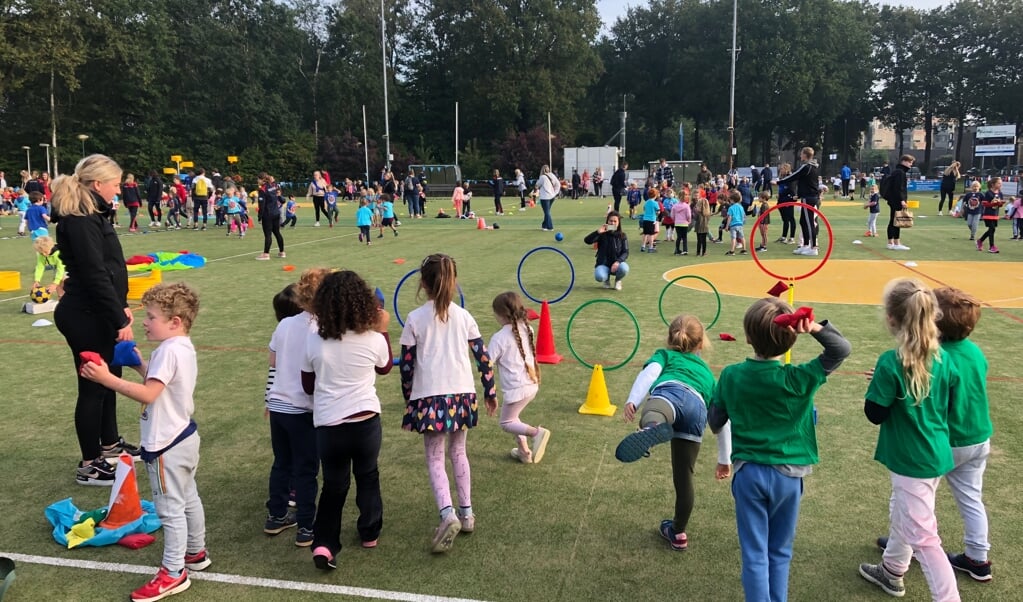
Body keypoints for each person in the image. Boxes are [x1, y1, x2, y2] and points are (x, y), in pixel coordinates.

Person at [708, 299, 850, 602]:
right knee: (780, 551)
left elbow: (716, 421)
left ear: (748, 337)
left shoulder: (732, 375)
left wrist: (718, 403)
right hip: (789, 477)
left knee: (755, 554)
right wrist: (812, 327)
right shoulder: (799, 378)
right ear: (791, 339)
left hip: (749, 476)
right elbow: (841, 349)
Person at [80, 282, 210, 602]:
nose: (144, 321)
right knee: (188, 496)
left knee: (170, 509)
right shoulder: (180, 346)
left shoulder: (168, 351)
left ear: (175, 321)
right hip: (184, 438)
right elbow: (162, 384)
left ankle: (173, 571)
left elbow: (151, 393)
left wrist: (107, 379)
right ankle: (195, 551)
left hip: (167, 443)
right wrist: (139, 364)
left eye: (151, 317)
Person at [857, 278, 960, 602]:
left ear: (892, 318)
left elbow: (875, 413)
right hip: (934, 453)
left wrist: (880, 387)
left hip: (912, 459)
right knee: (904, 511)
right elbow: (948, 404)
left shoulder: (892, 361)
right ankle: (892, 570)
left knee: (925, 538)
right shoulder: (944, 358)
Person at [51, 155, 139, 486]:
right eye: (116, 185)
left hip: (100, 310)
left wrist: (122, 305)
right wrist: (118, 317)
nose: (119, 190)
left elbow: (110, 268)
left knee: (110, 378)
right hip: (86, 314)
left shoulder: (91, 214)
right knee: (93, 386)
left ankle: (110, 445)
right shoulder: (79, 219)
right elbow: (94, 273)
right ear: (98, 184)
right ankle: (90, 464)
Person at [399, 254, 496, 553]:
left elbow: (406, 365)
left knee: (435, 457)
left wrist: (408, 398)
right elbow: (483, 358)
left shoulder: (415, 319)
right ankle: (467, 513)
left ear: (423, 284)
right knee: (459, 451)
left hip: (430, 397)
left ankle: (447, 514)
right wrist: (490, 392)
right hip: (462, 395)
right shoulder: (464, 317)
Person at [615, 315, 731, 551]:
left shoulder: (665, 355)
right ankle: (678, 532)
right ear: (700, 344)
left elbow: (649, 374)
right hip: (697, 411)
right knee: (684, 478)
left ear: (670, 338)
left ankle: (651, 427)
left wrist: (633, 400)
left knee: (657, 409)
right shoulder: (708, 374)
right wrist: (724, 459)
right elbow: (721, 420)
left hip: (670, 394)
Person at [302, 270, 392, 570]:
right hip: (365, 421)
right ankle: (369, 531)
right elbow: (385, 367)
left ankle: (325, 545)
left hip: (329, 425)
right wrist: (384, 330)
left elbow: (307, 385)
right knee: (367, 475)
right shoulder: (373, 338)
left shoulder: (314, 342)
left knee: (333, 485)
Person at [264, 269, 328, 547]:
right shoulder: (321, 328)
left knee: (282, 463)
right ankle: (305, 526)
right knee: (305, 469)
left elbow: (273, 360)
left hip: (278, 405)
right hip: (303, 407)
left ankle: (276, 516)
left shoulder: (285, 325)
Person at [488, 291, 549, 464]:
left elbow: (487, 363)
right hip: (531, 384)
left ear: (501, 315)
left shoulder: (499, 338)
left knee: (506, 422)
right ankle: (524, 452)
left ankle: (537, 433)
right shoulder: (526, 328)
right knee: (514, 417)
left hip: (517, 389)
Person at [777, 147, 821, 256]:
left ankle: (813, 247)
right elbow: (807, 182)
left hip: (809, 198)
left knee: (809, 222)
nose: (800, 156)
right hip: (806, 196)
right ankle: (805, 245)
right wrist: (799, 195)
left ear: (805, 155)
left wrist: (780, 182)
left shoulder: (807, 167)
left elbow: (794, 176)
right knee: (803, 221)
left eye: (801, 154)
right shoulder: (812, 167)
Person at [583, 211, 630, 290]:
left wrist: (618, 261)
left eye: (615, 221)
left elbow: (625, 252)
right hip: (603, 264)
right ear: (607, 221)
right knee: (599, 276)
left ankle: (618, 280)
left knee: (624, 268)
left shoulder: (622, 236)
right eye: (610, 221)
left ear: (618, 223)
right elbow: (587, 241)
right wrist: (597, 232)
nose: (612, 223)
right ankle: (606, 279)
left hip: (617, 264)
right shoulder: (602, 234)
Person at [255, 173, 285, 260]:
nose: (257, 181)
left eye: (258, 179)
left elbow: (262, 205)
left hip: (267, 215)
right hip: (276, 213)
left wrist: (259, 217)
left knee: (268, 235)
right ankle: (282, 252)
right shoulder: (274, 186)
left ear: (262, 180)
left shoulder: (262, 189)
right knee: (277, 233)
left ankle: (266, 254)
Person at [976, 176, 1005, 253]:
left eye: (1001, 183)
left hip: (995, 214)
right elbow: (985, 204)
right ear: (993, 184)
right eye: (998, 183)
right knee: (992, 229)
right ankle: (991, 246)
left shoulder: (1000, 193)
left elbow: (1000, 205)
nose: (1000, 185)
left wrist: (1000, 203)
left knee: (992, 229)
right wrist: (993, 203)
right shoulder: (988, 193)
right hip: (988, 214)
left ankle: (980, 240)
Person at [537, 165, 560, 231]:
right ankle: (544, 225)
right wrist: (555, 193)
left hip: (545, 197)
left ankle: (550, 227)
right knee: (547, 212)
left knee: (547, 212)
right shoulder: (552, 175)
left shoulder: (542, 177)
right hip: (552, 197)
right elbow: (558, 184)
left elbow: (537, 185)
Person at [725, 192, 747, 256]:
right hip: (740, 224)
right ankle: (744, 249)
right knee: (742, 237)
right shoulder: (741, 207)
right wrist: (742, 222)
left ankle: (732, 251)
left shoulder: (731, 208)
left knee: (733, 238)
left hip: (733, 225)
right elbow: (743, 215)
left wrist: (727, 226)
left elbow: (729, 217)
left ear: (732, 200)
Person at [692, 187, 711, 257]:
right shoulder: (707, 213)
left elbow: (695, 218)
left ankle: (698, 252)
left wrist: (695, 212)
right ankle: (704, 252)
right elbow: (708, 219)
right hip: (705, 226)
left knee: (699, 240)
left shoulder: (698, 212)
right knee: (704, 240)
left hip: (698, 226)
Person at [671, 191, 691, 255]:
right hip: (684, 223)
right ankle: (685, 250)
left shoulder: (675, 206)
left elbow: (672, 215)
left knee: (678, 237)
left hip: (677, 223)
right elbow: (688, 215)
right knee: (684, 237)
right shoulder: (686, 206)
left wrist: (675, 220)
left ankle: (677, 249)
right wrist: (689, 220)